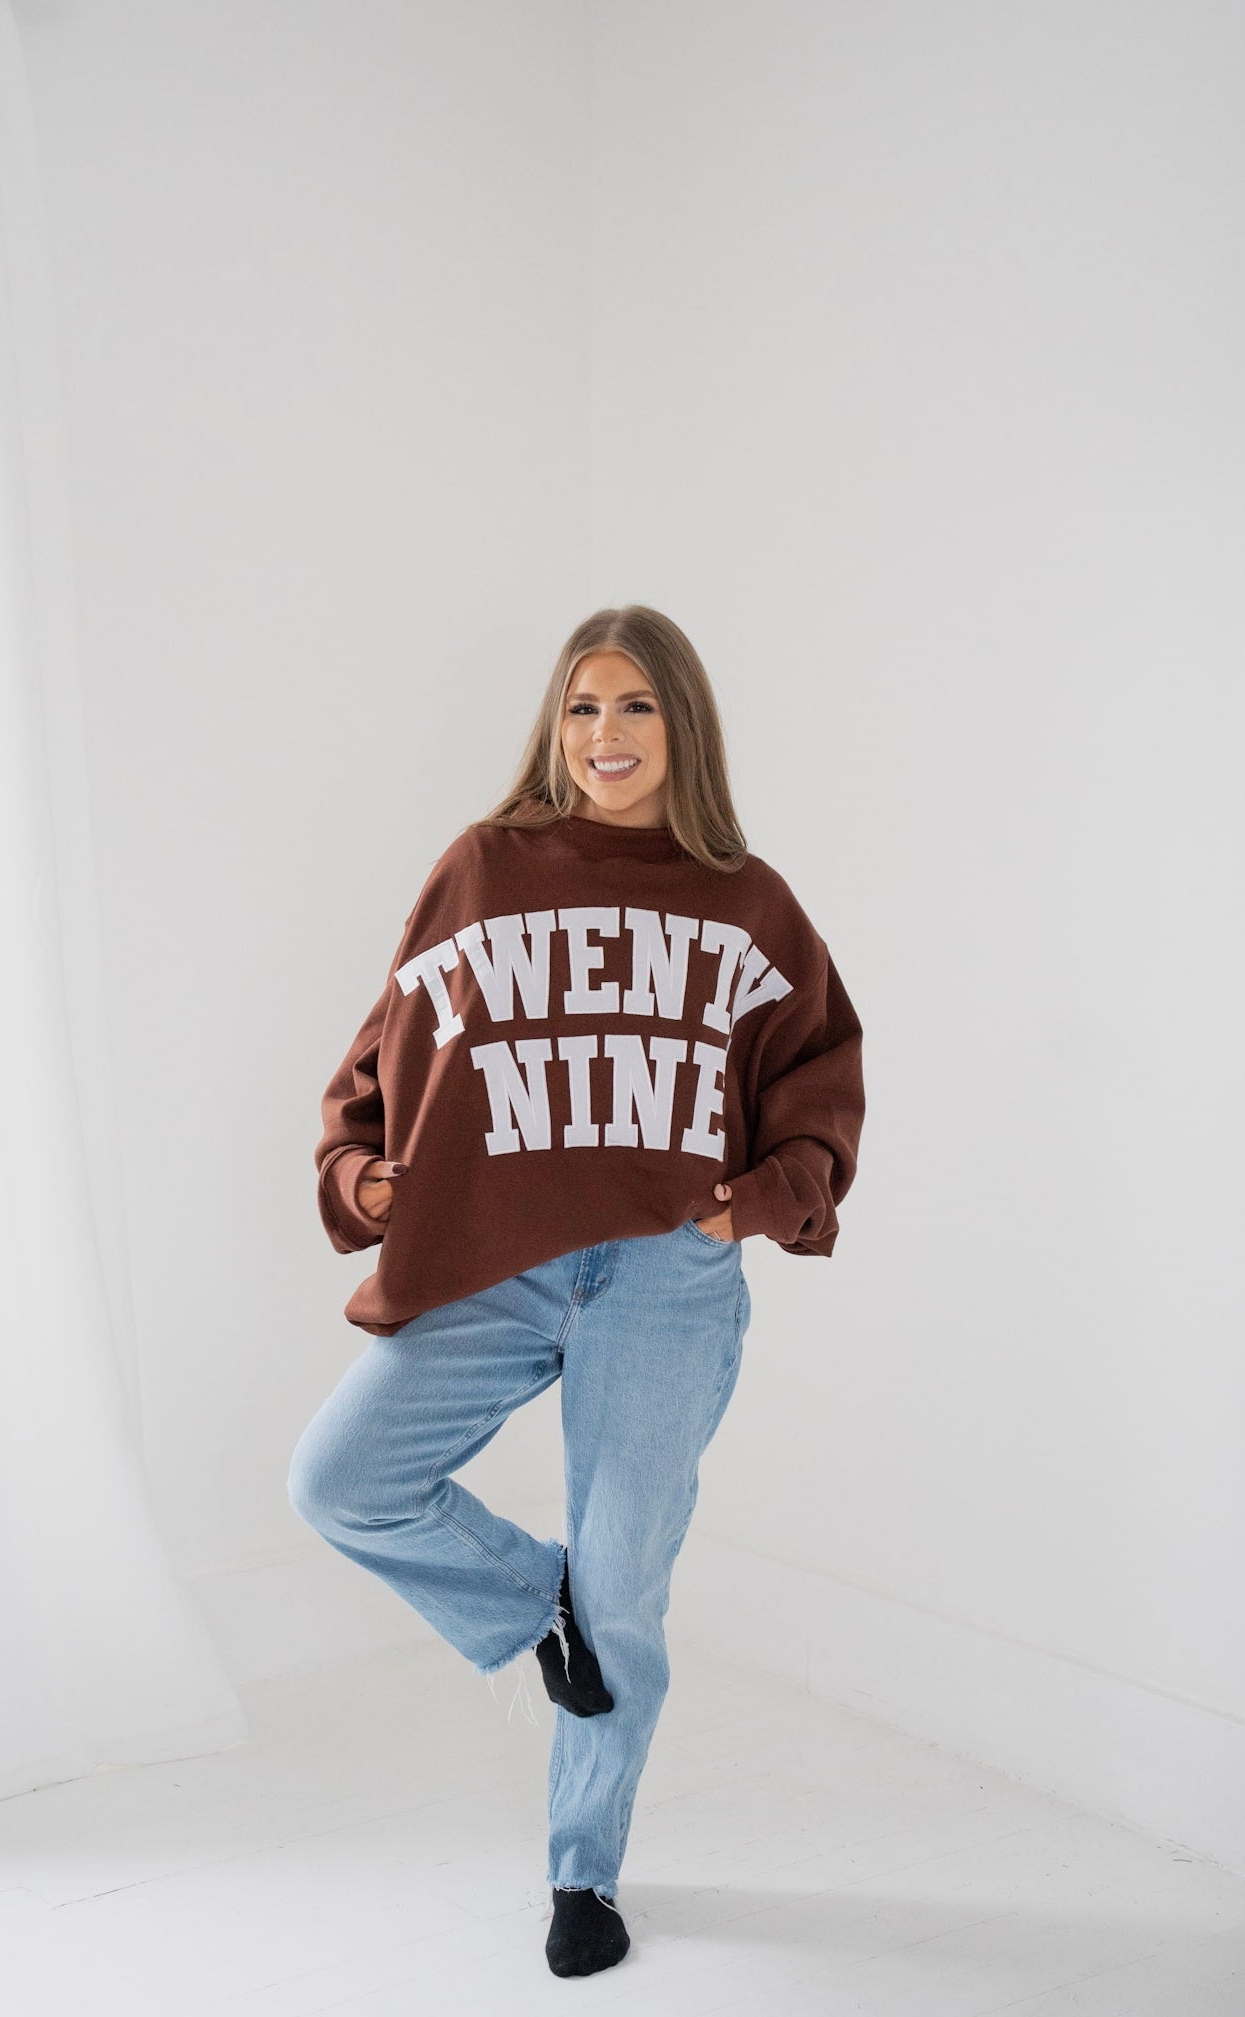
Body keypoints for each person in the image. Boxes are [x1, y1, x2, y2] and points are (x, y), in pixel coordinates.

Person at [287, 605, 865, 1977]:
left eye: (637, 706)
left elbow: (821, 1077)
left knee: (627, 1588)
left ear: (684, 726)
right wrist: (363, 1177)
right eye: (584, 707)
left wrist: (757, 1199)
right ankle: (529, 1604)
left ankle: (584, 1873)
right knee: (342, 1480)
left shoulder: (747, 900)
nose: (608, 735)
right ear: (556, 727)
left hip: (667, 1275)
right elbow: (377, 1059)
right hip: (494, 1255)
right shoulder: (485, 867)